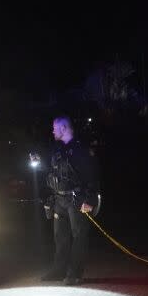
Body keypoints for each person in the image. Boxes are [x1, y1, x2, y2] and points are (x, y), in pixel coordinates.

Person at [41, 117, 100, 285]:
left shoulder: (81, 150)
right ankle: (58, 270)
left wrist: (89, 200)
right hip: (59, 199)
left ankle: (75, 273)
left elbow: (93, 176)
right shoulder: (58, 149)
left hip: (77, 199)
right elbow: (54, 175)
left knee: (79, 236)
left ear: (64, 128)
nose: (52, 131)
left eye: (55, 128)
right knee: (60, 237)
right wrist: (51, 198)